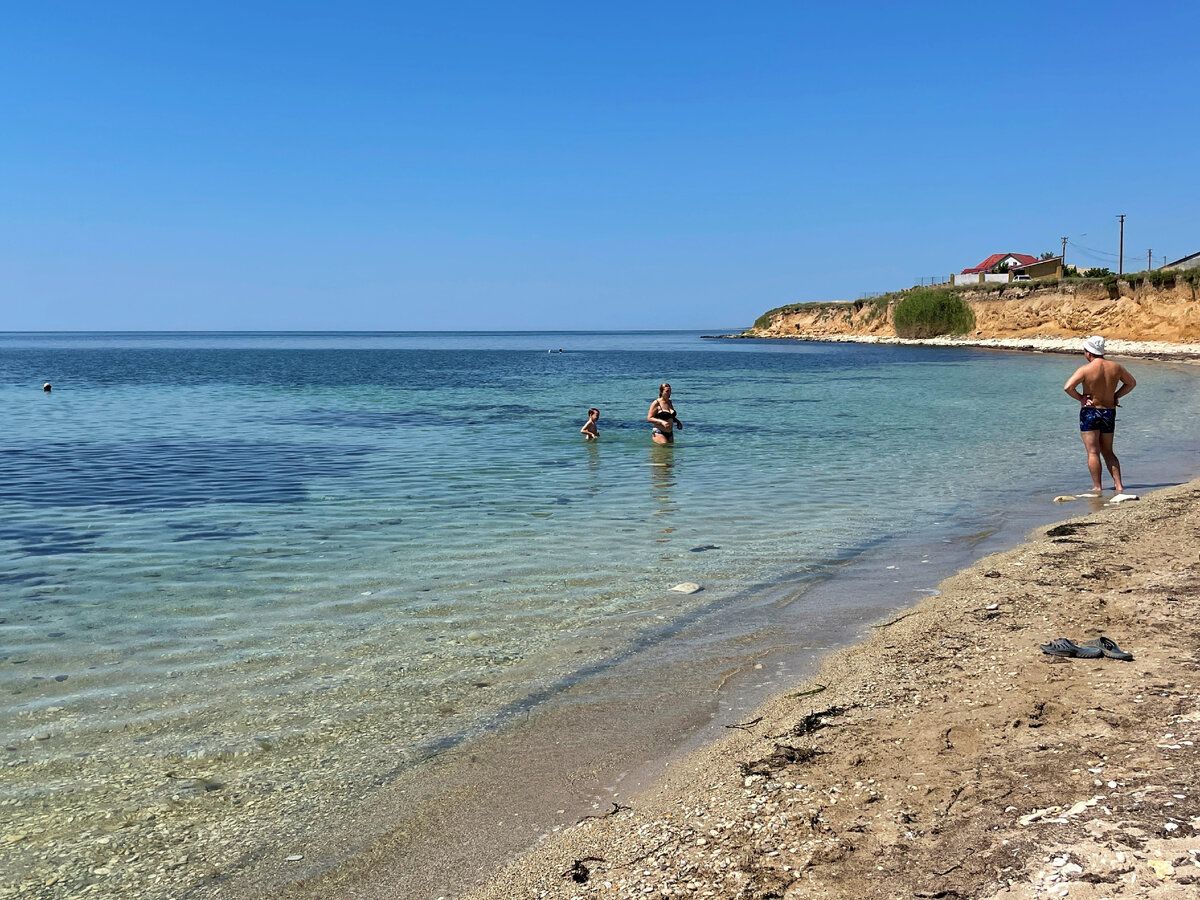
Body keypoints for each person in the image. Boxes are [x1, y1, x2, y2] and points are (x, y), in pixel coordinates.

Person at [1063, 335, 1136, 494]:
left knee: (1093, 451)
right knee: (1108, 451)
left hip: (1090, 412)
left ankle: (1097, 487)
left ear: (1089, 353)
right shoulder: (1116, 367)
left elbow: (1068, 387)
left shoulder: (1085, 369)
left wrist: (1081, 398)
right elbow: (1131, 383)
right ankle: (1119, 485)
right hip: (1109, 412)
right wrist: (1116, 395)